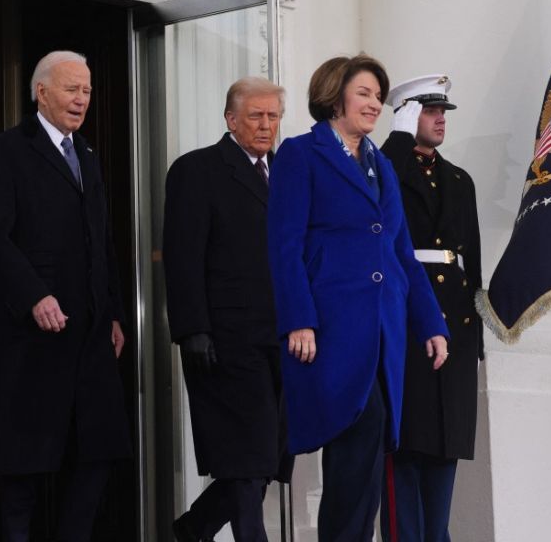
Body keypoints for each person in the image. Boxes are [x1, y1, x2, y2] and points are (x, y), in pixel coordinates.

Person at [266, 54, 450, 542]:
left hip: (383, 332)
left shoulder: (382, 165)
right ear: (334, 96)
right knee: (358, 435)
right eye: (364, 93)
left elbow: (400, 253)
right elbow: (284, 246)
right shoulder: (300, 154)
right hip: (331, 331)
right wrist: (298, 320)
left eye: (377, 96)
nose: (374, 104)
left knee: (370, 460)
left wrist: (430, 324)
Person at [0, 50, 130, 542]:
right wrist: (34, 296)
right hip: (33, 333)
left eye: (86, 90)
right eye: (71, 89)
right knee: (23, 462)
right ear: (41, 92)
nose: (82, 99)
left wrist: (114, 314)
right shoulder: (4, 152)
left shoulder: (86, 154)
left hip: (88, 333)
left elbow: (100, 242)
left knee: (97, 454)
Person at [163, 77, 293, 542]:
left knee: (264, 460)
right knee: (245, 459)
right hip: (224, 340)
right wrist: (192, 328)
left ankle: (189, 530)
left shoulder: (288, 173)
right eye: (255, 116)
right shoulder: (196, 170)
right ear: (230, 119)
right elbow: (182, 256)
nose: (265, 125)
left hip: (283, 339)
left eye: (273, 116)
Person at [379, 75, 483, 542]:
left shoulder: (460, 180)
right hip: (407, 320)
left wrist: (476, 334)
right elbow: (375, 195)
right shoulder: (386, 168)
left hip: (454, 326)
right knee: (405, 452)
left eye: (443, 112)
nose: (441, 119)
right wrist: (397, 140)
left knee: (444, 452)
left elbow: (472, 259)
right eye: (428, 111)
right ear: (404, 114)